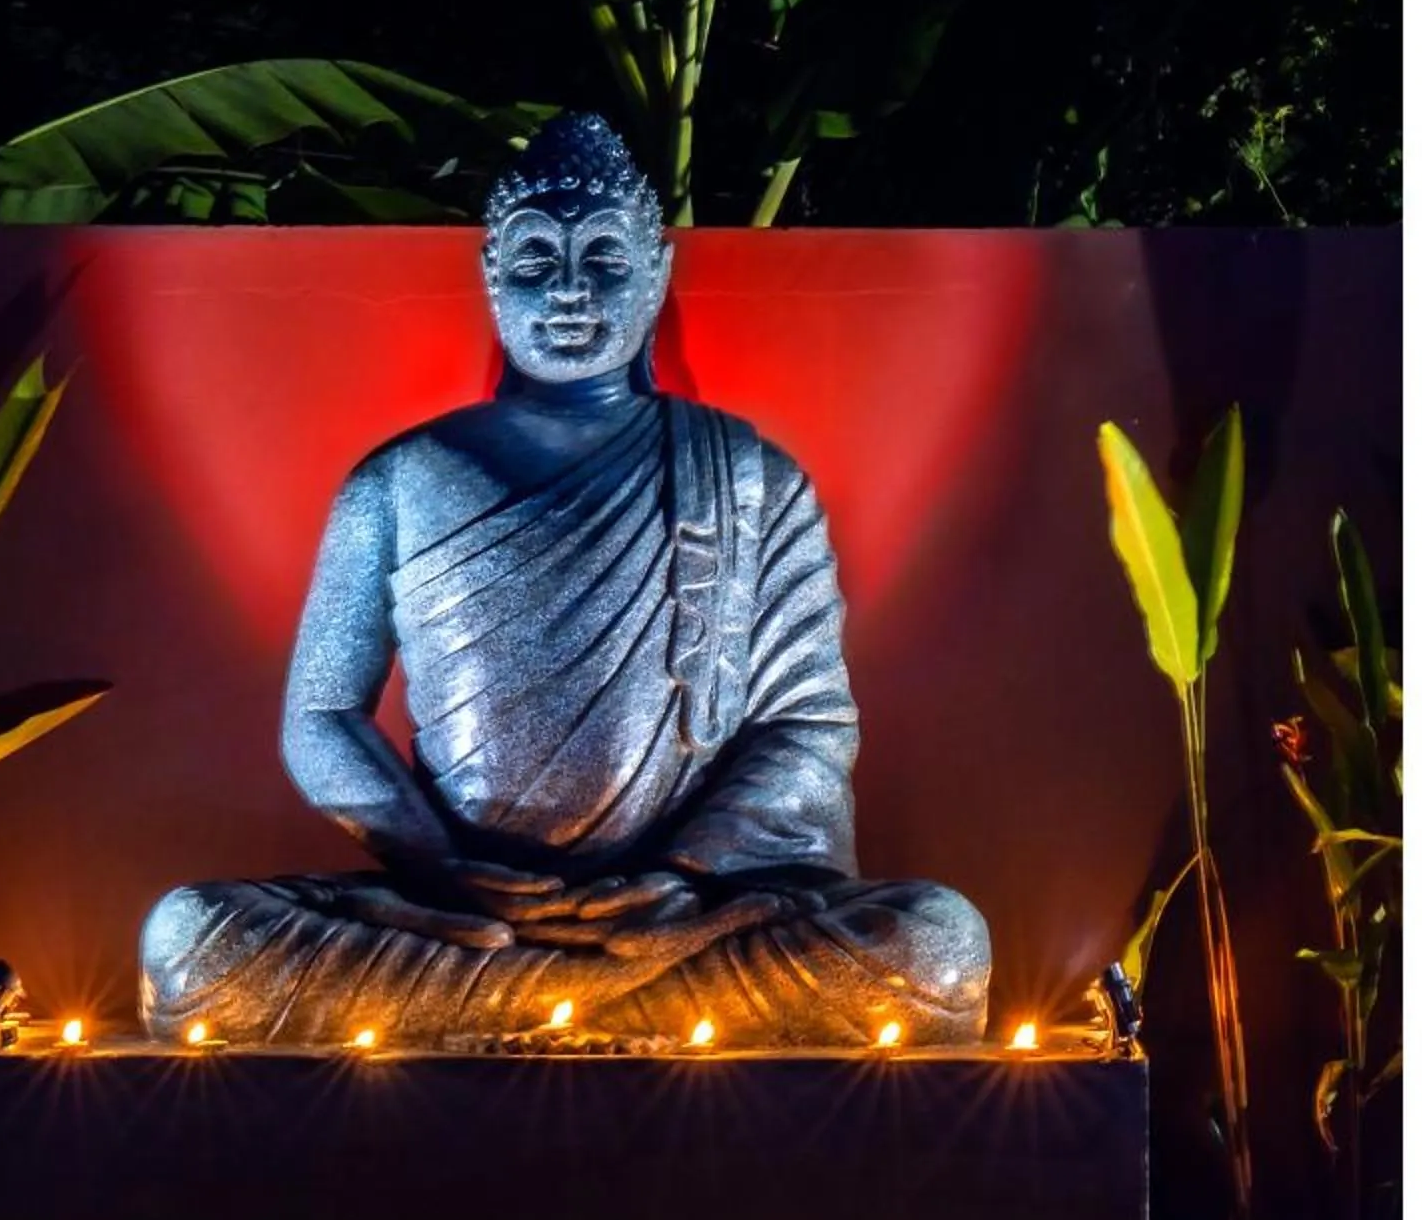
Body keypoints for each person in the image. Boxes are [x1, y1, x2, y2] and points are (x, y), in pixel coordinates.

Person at [141, 113, 989, 1047]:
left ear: (657, 273)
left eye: (606, 261)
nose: (573, 291)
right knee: (192, 941)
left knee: (936, 941)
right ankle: (618, 1012)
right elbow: (321, 716)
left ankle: (521, 1014)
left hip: (680, 912)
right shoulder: (400, 479)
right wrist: (437, 867)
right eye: (539, 261)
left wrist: (684, 875)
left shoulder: (751, 475)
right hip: (469, 914)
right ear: (492, 276)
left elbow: (807, 723)